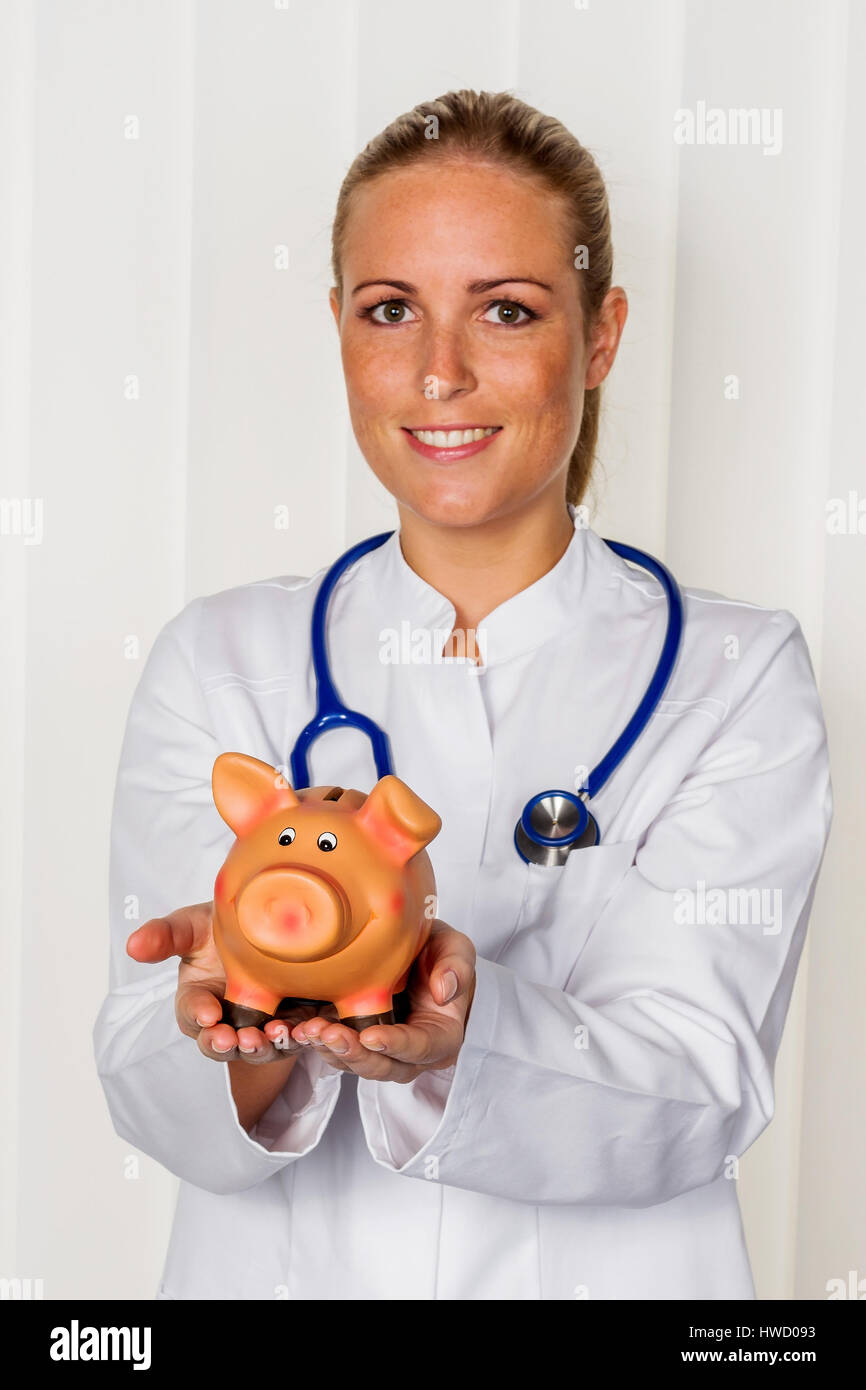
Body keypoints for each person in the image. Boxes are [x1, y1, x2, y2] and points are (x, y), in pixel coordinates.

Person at [93, 89, 833, 1301]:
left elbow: (700, 1085)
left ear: (599, 337)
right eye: (391, 311)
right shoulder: (220, 659)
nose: (439, 372)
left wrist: (464, 1029)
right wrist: (226, 1009)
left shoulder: (732, 673)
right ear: (340, 328)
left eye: (505, 310)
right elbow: (142, 1072)